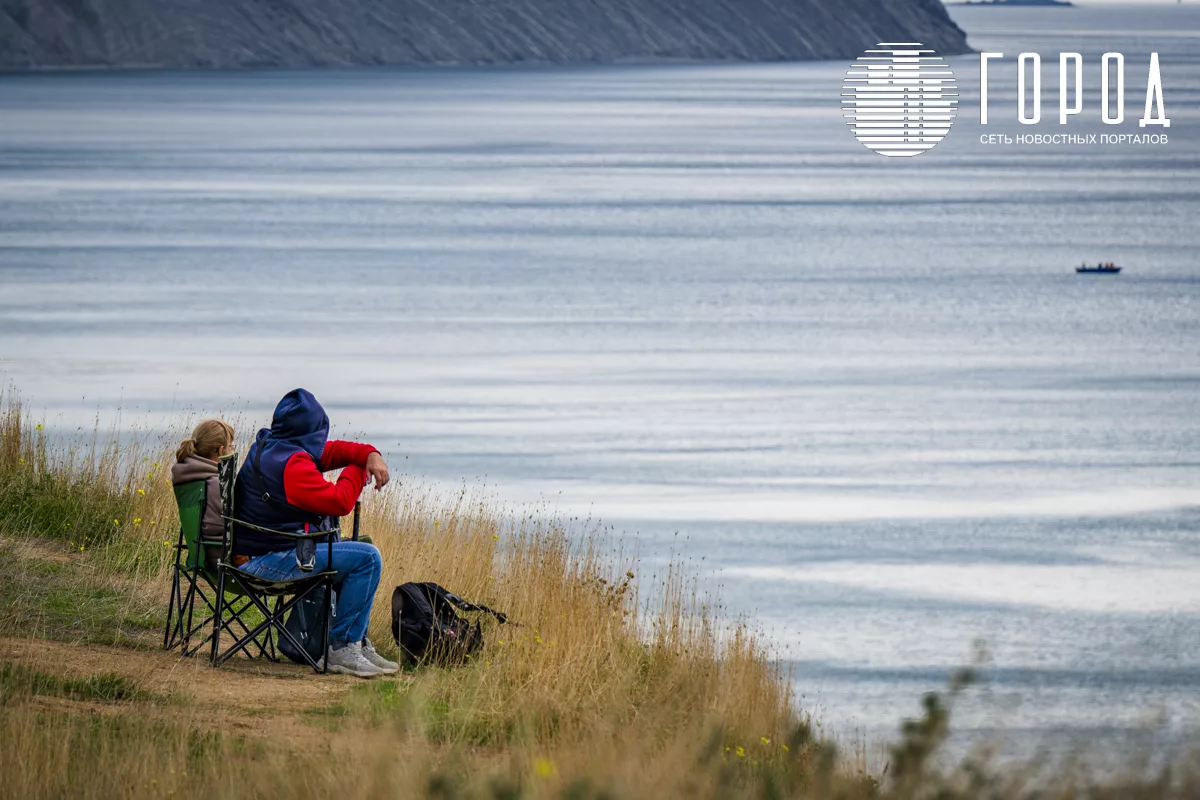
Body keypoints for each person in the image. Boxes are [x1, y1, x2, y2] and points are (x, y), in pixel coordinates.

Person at [232, 388, 398, 679]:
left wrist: (370, 453)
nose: (322, 439)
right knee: (367, 558)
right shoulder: (292, 467)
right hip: (267, 561)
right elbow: (340, 502)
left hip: (263, 550)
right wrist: (357, 469)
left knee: (355, 554)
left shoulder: (273, 445)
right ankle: (342, 647)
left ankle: (356, 642)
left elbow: (330, 451)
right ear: (311, 431)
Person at [170, 419, 236, 567]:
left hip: (201, 559)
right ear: (221, 451)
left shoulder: (188, 480)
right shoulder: (217, 484)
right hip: (225, 562)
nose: (233, 450)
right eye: (231, 446)